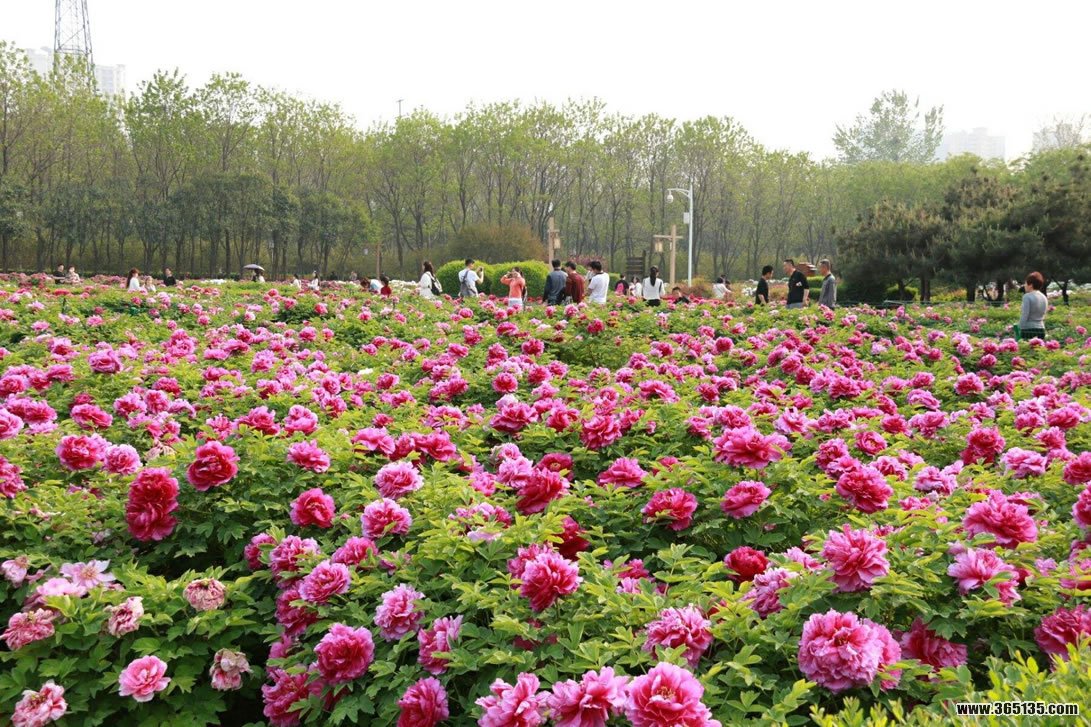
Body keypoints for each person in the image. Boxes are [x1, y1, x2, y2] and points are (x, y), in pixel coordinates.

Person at [1018, 271, 1048, 340]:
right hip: (1041, 329)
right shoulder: (1044, 297)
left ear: (1031, 285)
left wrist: (1019, 327)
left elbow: (1025, 314)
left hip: (1028, 329)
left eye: (1025, 283)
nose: (1024, 285)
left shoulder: (1027, 296)